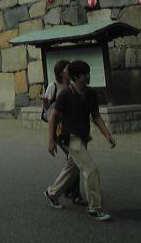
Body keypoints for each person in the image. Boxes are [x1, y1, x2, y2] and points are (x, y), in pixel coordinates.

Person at [45, 60, 116, 222]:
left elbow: (95, 116)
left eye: (88, 73)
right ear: (76, 77)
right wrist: (51, 140)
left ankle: (52, 193)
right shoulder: (65, 94)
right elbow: (53, 115)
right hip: (70, 137)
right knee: (91, 169)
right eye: (84, 74)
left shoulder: (90, 93)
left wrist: (107, 135)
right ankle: (95, 208)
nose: (88, 76)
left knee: (73, 168)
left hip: (83, 137)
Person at [42, 60, 84, 205]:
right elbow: (46, 111)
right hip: (60, 130)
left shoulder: (73, 86)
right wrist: (51, 139)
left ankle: (68, 190)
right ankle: (71, 192)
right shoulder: (53, 87)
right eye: (67, 69)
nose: (70, 70)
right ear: (61, 72)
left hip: (73, 129)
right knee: (76, 158)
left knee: (75, 159)